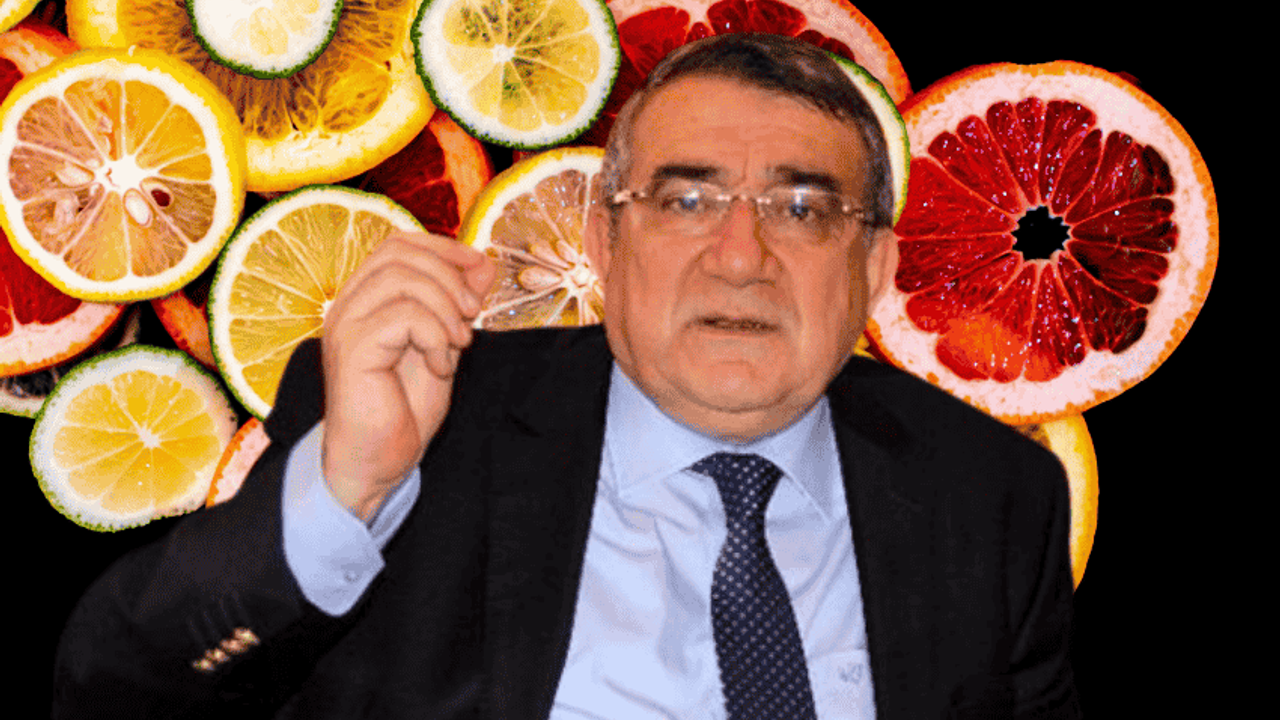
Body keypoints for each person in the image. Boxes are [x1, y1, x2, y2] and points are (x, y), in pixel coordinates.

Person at [53, 33, 1079, 719]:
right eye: (685, 201)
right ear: (602, 242)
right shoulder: (421, 436)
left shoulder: (992, 495)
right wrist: (345, 491)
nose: (739, 256)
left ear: (876, 268)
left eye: (802, 210)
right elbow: (113, 694)